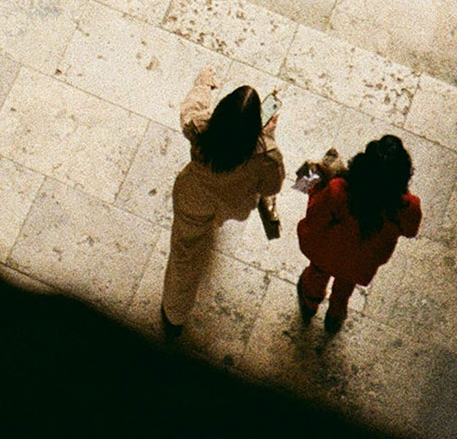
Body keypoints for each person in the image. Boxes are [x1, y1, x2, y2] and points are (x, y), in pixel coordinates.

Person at [159, 69, 285, 341]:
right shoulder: (266, 154)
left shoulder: (201, 126)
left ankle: (174, 315)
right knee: (210, 226)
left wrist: (204, 82)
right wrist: (268, 136)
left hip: (193, 197)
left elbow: (191, 108)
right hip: (233, 205)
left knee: (184, 254)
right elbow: (271, 188)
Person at [293, 135, 420, 333]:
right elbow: (411, 230)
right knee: (345, 285)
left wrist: (317, 186)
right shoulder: (406, 207)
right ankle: (335, 315)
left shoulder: (338, 190)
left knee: (317, 274)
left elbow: (315, 217)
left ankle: (309, 304)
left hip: (325, 251)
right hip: (360, 265)